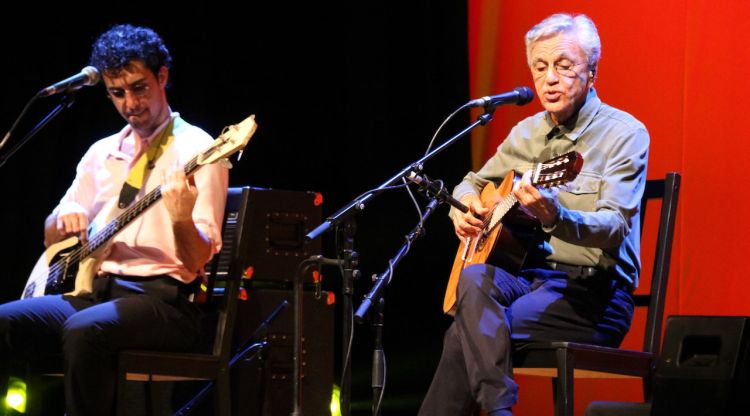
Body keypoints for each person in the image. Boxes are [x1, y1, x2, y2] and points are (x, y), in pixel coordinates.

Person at [419, 13, 649, 416]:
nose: (550, 79)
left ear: (591, 72)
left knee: (465, 333)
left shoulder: (624, 134)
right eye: (540, 68)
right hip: (531, 282)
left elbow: (615, 227)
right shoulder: (525, 134)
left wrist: (555, 217)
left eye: (563, 66)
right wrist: (464, 209)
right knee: (473, 277)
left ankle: (497, 409)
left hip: (593, 297)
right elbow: (471, 182)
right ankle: (498, 411)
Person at [0, 24, 229, 415]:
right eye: (117, 93)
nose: (130, 104)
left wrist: (179, 217)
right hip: (96, 293)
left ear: (162, 77)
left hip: (166, 302)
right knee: (4, 321)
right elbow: (50, 235)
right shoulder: (101, 153)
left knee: (85, 330)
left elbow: (196, 261)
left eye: (139, 88)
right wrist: (64, 218)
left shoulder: (199, 149)